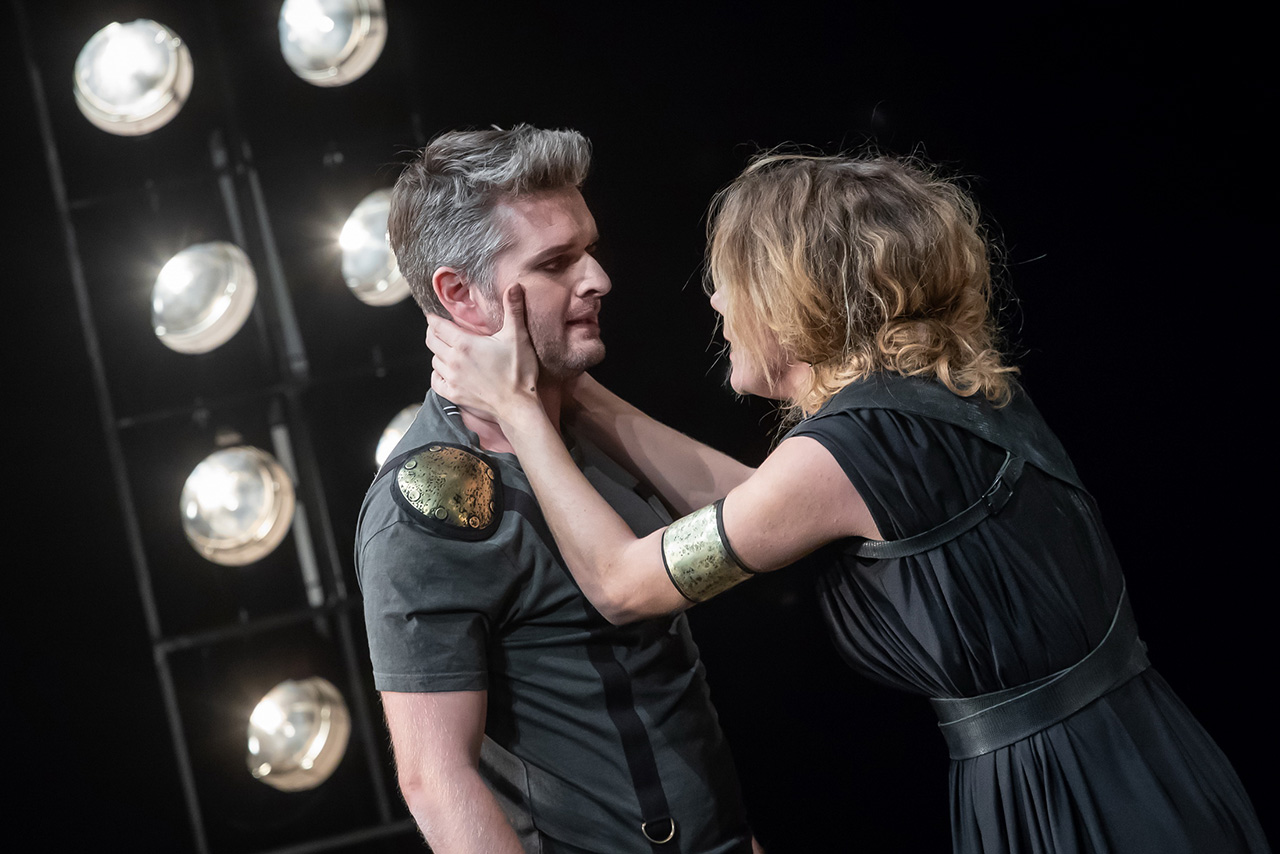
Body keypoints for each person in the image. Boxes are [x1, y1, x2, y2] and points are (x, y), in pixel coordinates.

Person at [426, 151, 1271, 853]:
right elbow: (758, 504)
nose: (716, 303)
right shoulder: (933, 397)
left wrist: (520, 410)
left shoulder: (851, 449)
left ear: (792, 293)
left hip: (1072, 795)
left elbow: (622, 583)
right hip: (1143, 761)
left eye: (729, 281)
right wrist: (574, 393)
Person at [355, 125, 758, 854]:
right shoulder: (426, 509)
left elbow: (755, 520)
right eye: (555, 262)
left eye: (588, 249)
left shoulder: (583, 422)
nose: (597, 278)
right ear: (459, 295)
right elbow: (435, 779)